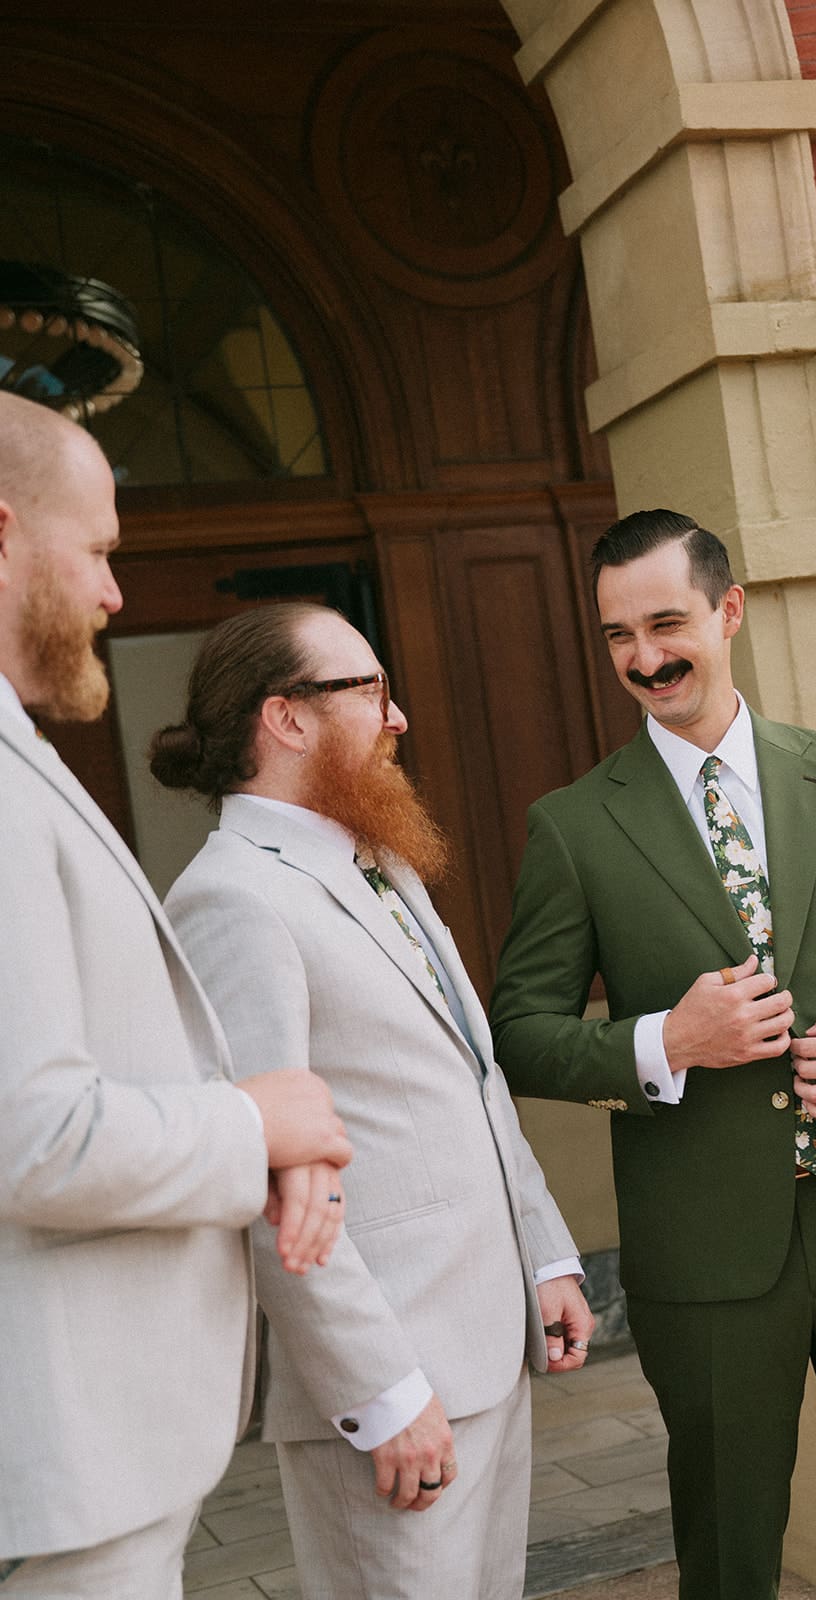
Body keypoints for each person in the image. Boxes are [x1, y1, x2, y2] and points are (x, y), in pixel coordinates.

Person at [490, 509, 816, 1600]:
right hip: (709, 1265)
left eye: (667, 622)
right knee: (728, 1566)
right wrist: (663, 1041)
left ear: (729, 611)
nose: (645, 657)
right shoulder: (574, 825)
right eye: (618, 636)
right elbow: (521, 1032)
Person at [150, 601, 593, 1600]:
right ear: (288, 718)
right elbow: (264, 1181)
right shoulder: (230, 899)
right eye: (373, 691)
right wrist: (380, 1392)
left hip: (488, 1347)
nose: (399, 719)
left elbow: (467, 1083)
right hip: (394, 1382)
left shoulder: (380, 860)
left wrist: (546, 1250)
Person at [0, 391, 353, 1599]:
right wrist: (264, 1120)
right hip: (61, 1471)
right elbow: (33, 1138)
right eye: (97, 550)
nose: (112, 592)